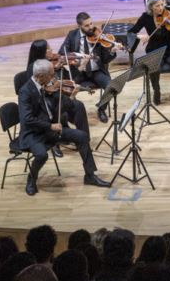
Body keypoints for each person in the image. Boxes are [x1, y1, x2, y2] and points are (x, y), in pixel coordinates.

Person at [18, 60, 110, 195]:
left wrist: (71, 97)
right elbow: (28, 119)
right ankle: (31, 178)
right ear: (40, 76)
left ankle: (90, 176)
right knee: (42, 155)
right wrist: (50, 125)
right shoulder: (25, 92)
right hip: (34, 133)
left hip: (51, 129)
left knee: (82, 137)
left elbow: (64, 106)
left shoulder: (47, 85)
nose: (54, 77)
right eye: (51, 74)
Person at [128, 0, 170, 105]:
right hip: (153, 50)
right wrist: (140, 36)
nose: (161, 8)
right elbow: (131, 32)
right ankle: (156, 91)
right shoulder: (145, 17)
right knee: (154, 69)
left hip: (169, 50)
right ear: (150, 7)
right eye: (157, 6)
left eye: (162, 4)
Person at [59, 11, 117, 122]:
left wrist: (112, 52)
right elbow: (62, 53)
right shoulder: (72, 35)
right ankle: (73, 113)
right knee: (67, 87)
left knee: (111, 86)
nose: (91, 27)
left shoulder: (98, 36)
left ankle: (101, 108)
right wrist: (79, 58)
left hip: (96, 71)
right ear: (79, 26)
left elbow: (105, 59)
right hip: (79, 71)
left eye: (91, 23)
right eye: (87, 25)